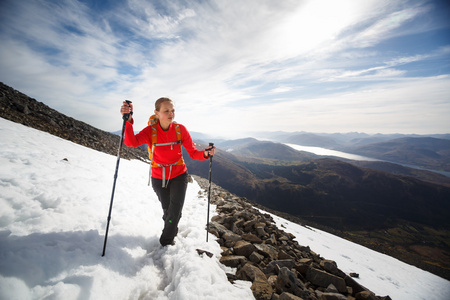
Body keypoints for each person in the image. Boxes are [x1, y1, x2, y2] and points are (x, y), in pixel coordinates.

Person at [120, 98, 215, 246]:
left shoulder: (180, 130)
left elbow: (193, 152)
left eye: (173, 110)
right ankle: (171, 229)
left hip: (179, 175)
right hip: (158, 178)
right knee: (168, 212)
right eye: (166, 111)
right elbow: (131, 142)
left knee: (174, 211)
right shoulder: (150, 131)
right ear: (156, 113)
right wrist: (128, 120)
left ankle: (166, 242)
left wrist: (205, 154)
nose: (171, 114)